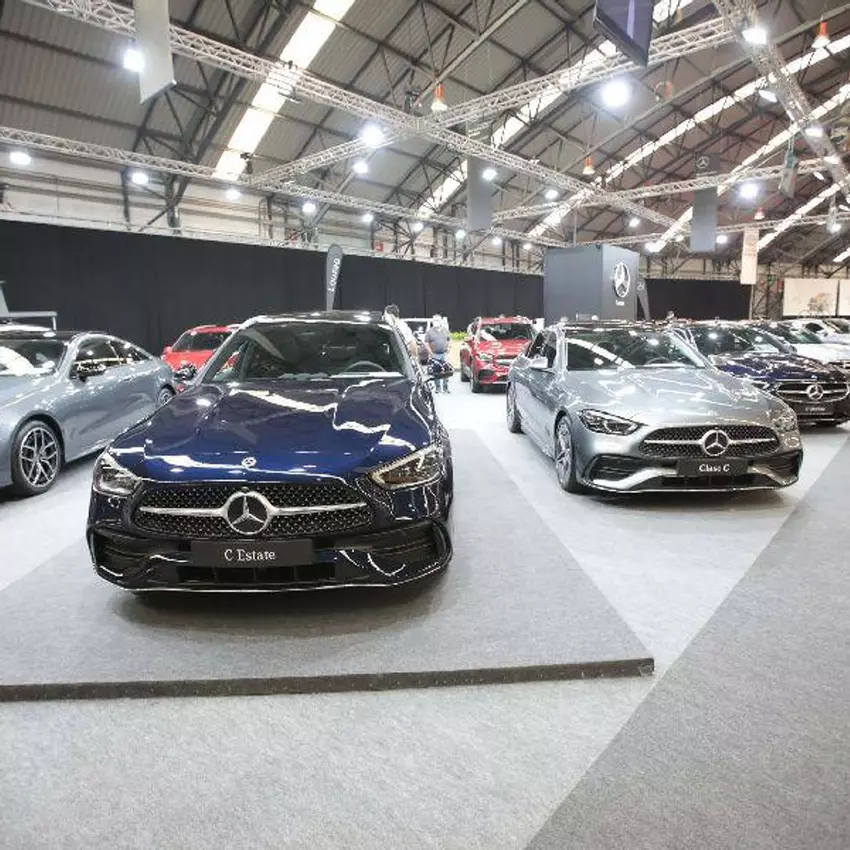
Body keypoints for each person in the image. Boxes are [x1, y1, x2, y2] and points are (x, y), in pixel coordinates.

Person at [425, 313, 451, 394]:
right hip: (434, 354)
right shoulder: (429, 332)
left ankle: (445, 388)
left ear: (441, 321)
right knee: (436, 371)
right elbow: (426, 343)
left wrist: (449, 347)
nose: (436, 322)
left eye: (437, 320)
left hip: (444, 354)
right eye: (434, 320)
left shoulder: (445, 330)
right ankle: (438, 388)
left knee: (446, 371)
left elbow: (449, 340)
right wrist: (430, 352)